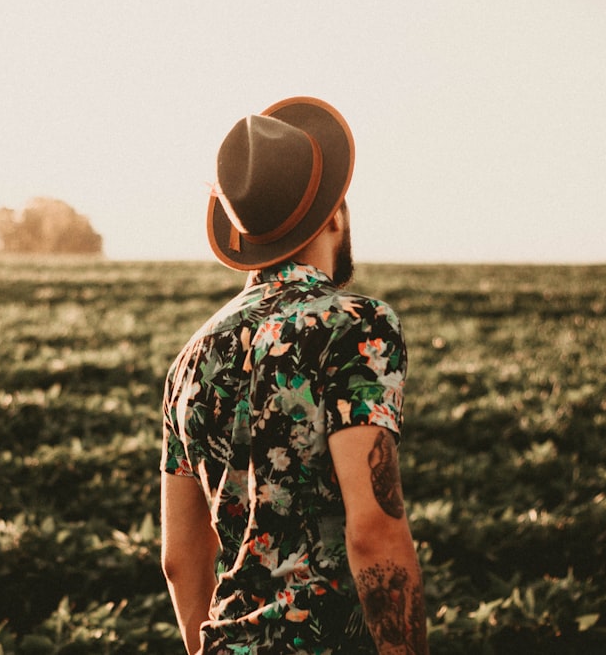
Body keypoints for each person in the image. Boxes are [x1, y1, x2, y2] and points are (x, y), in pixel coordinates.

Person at [160, 96, 428, 654]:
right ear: (334, 214)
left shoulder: (191, 358)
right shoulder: (355, 325)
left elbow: (181, 561)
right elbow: (373, 529)